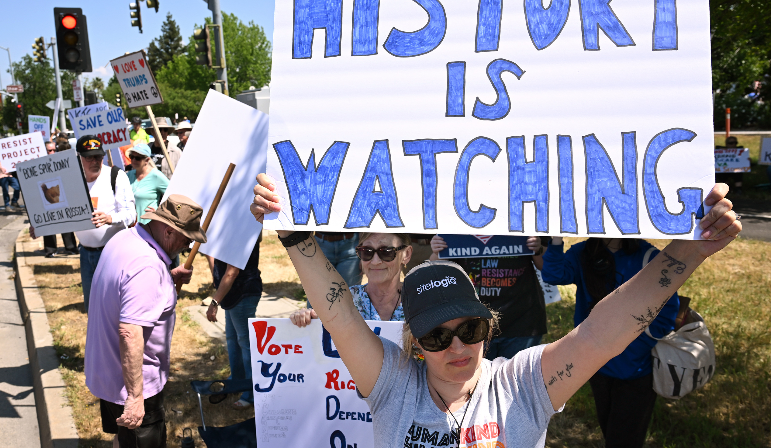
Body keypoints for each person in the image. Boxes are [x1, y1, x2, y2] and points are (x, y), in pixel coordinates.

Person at [251, 174, 740, 447]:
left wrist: (690, 251)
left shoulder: (523, 383)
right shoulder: (393, 386)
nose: (459, 346)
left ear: (489, 323)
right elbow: (340, 315)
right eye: (438, 337)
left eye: (471, 327)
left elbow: (602, 333)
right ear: (415, 344)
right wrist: (291, 234)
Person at [85, 195, 200, 448]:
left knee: (123, 440)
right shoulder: (147, 267)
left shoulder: (125, 238)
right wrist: (136, 397)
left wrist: (167, 279)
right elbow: (129, 332)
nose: (188, 244)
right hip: (133, 384)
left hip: (109, 372)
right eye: (186, 238)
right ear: (169, 230)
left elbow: (126, 290)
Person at [541, 237, 678, 447]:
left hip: (635, 369)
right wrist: (556, 241)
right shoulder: (582, 253)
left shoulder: (650, 258)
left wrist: (636, 347)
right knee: (610, 429)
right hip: (596, 364)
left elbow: (667, 311)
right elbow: (553, 274)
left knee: (625, 437)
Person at [429, 235, 548, 359]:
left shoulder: (524, 218)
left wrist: (537, 249)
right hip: (473, 323)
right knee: (480, 378)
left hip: (522, 321)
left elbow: (546, 266)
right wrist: (438, 253)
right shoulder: (454, 223)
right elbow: (436, 274)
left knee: (518, 376)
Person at [290, 232, 411, 327]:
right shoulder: (341, 301)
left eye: (386, 252)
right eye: (366, 252)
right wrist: (306, 319)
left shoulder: (419, 302)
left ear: (406, 254)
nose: (375, 261)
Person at [74, 135, 136, 312]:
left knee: (113, 308)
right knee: (93, 308)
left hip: (111, 253)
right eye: (89, 157)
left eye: (98, 157)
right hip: (85, 253)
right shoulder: (73, 180)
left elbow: (131, 214)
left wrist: (110, 219)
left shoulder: (115, 176)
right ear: (79, 157)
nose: (95, 161)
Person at [205, 235, 263, 408]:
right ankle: (237, 381)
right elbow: (219, 270)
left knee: (246, 344)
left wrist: (214, 302)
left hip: (243, 291)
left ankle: (251, 392)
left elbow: (232, 271)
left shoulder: (241, 231)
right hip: (232, 293)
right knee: (233, 339)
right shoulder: (227, 228)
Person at [126, 143, 169, 224]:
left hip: (148, 226)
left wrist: (160, 212)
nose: (134, 160)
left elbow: (173, 195)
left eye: (138, 158)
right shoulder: (128, 175)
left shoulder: (156, 176)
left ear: (147, 160)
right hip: (130, 227)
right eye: (132, 156)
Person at [0, 148, 21, 212]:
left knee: (17, 187)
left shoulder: (8, 152)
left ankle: (14, 201)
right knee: (5, 191)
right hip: (2, 176)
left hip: (10, 175)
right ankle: (7, 205)